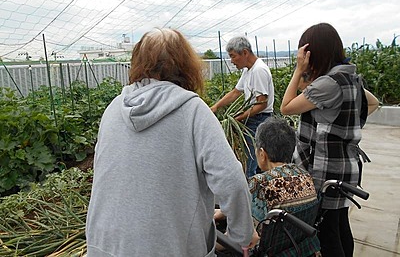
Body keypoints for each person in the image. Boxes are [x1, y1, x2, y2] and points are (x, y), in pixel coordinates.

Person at [85, 28, 257, 257]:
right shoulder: (193, 110)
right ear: (186, 66)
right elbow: (232, 181)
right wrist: (242, 236)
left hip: (103, 246)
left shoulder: (113, 109)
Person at [280, 23, 379, 257]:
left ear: (315, 52)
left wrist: (297, 70)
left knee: (327, 233)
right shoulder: (350, 78)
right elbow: (372, 102)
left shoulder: (327, 84)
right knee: (340, 225)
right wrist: (345, 125)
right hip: (347, 167)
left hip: (326, 171)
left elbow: (285, 107)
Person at [214, 116, 320, 256]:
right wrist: (225, 211)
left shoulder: (260, 183)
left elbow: (241, 238)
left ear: (262, 154)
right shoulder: (304, 175)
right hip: (297, 250)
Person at [210, 36, 274, 178]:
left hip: (259, 120)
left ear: (245, 53)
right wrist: (214, 107)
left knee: (250, 163)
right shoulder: (248, 70)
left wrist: (238, 118)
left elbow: (261, 104)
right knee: (250, 161)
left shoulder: (259, 70)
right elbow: (236, 92)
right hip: (252, 119)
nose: (232, 61)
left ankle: (250, 195)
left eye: (233, 56)